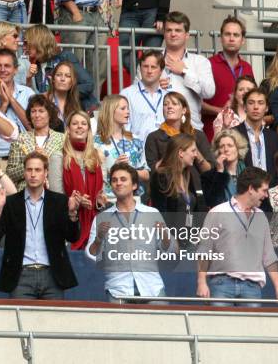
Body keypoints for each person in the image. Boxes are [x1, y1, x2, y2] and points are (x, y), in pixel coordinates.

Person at [0, 151, 81, 299]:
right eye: (29, 169)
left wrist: (72, 213)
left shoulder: (59, 201)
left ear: (46, 173)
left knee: (54, 321)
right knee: (21, 321)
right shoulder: (11, 203)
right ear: (24, 173)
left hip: (53, 275)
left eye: (37, 170)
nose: (33, 174)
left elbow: (73, 237)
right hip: (20, 275)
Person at [197, 167, 278, 307]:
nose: (266, 195)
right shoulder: (217, 212)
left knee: (250, 329)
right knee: (219, 328)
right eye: (264, 190)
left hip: (252, 287)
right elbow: (204, 250)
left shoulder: (261, 217)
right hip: (221, 283)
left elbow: (269, 256)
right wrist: (201, 282)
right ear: (251, 189)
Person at [86, 163, 176, 303]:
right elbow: (91, 256)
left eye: (123, 179)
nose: (118, 183)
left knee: (161, 325)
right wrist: (98, 239)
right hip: (118, 290)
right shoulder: (101, 218)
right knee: (119, 326)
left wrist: (165, 237)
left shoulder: (152, 213)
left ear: (134, 185)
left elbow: (170, 252)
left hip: (152, 288)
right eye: (114, 180)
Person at [48, 111, 103, 250]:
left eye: (84, 123)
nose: (79, 127)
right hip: (68, 224)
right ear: (68, 129)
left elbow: (101, 194)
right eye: (75, 123)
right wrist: (76, 203)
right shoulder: (58, 157)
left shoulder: (97, 157)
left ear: (89, 130)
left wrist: (98, 202)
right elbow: (56, 198)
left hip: (94, 225)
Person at [145, 92, 214, 191]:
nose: (169, 107)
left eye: (174, 104)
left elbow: (209, 171)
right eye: (166, 104)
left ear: (184, 110)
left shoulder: (197, 135)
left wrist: (195, 151)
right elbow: (152, 172)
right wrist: (172, 151)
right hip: (168, 190)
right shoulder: (154, 137)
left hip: (198, 190)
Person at [202, 16, 254, 141]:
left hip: (243, 136)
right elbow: (197, 103)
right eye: (227, 34)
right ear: (221, 38)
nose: (231, 38)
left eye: (236, 35)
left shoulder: (247, 67)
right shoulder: (208, 64)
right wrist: (220, 111)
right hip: (213, 134)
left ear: (242, 40)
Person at [23, 24, 98, 112]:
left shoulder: (65, 57)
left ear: (38, 43)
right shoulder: (35, 66)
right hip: (55, 115)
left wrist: (61, 95)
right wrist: (28, 80)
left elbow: (88, 84)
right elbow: (38, 97)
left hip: (80, 112)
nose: (24, 47)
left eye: (26, 43)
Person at [161, 11, 215, 131]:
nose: (173, 34)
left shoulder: (200, 62)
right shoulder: (152, 62)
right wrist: (153, 85)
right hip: (159, 132)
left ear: (187, 35)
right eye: (169, 30)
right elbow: (138, 93)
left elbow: (209, 92)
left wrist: (184, 71)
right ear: (164, 33)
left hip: (191, 130)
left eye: (178, 30)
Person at [0, 48, 35, 163]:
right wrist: (4, 104)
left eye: (7, 66)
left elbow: (33, 127)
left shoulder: (28, 93)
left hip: (26, 156)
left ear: (15, 70)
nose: (2, 70)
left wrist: (11, 99)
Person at [94, 95, 149, 203]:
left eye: (128, 108)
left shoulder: (135, 139)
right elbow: (91, 175)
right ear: (110, 111)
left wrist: (131, 170)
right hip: (108, 201)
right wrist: (114, 168)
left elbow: (147, 174)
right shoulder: (96, 142)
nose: (128, 112)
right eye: (123, 108)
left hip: (135, 200)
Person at [6, 95, 65, 190]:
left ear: (49, 114)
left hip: (53, 193)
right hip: (25, 194)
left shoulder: (62, 139)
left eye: (41, 111)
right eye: (33, 111)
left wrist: (48, 161)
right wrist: (30, 163)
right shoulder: (21, 139)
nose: (37, 115)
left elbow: (67, 170)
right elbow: (10, 174)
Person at [150, 133, 202, 225]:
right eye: (193, 151)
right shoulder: (161, 176)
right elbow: (161, 214)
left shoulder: (187, 176)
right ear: (181, 153)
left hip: (188, 234)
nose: (196, 155)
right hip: (171, 236)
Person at [233, 88, 278, 186]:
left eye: (260, 103)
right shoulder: (234, 133)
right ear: (245, 107)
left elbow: (277, 168)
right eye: (251, 103)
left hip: (269, 192)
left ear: (266, 108)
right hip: (244, 192)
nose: (256, 107)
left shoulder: (273, 137)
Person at [55, 0, 107, 86]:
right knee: (72, 62)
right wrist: (75, 11)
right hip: (74, 10)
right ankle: (69, 98)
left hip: (96, 12)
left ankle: (93, 98)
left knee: (98, 64)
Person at [120, 50, 167, 144]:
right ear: (140, 68)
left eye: (153, 67)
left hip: (164, 151)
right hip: (138, 151)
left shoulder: (168, 96)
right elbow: (123, 128)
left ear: (161, 71)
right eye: (145, 66)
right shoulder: (127, 94)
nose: (149, 71)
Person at [119, 0, 169, 74]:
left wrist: (162, 15)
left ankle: (145, 83)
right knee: (127, 58)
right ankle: (143, 82)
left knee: (151, 57)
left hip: (153, 11)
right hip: (128, 10)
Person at [201, 129, 249, 208]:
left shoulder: (251, 174)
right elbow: (213, 203)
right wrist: (220, 172)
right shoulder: (208, 176)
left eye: (230, 145)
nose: (226, 149)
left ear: (238, 148)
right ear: (218, 150)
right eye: (221, 146)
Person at [44, 61, 82, 126]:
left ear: (73, 81)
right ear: (53, 79)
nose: (62, 79)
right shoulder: (43, 99)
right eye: (59, 75)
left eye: (68, 76)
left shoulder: (77, 104)